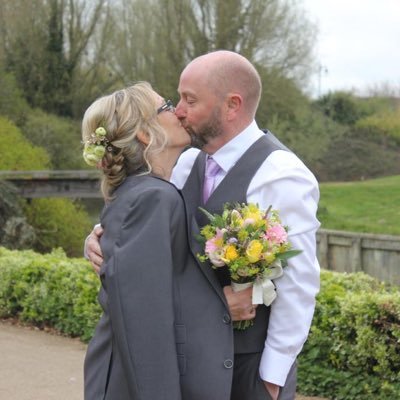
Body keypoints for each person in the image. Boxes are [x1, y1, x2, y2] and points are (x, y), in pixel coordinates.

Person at [86, 51, 320, 400]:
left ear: (231, 106)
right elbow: (150, 241)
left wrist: (270, 379)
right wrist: (98, 238)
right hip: (193, 366)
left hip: (248, 371)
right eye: (177, 99)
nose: (179, 110)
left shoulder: (283, 174)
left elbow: (299, 285)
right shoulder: (185, 162)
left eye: (189, 100)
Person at [82, 82, 235, 400]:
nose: (178, 111)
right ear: (144, 133)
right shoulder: (153, 197)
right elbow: (144, 319)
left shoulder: (140, 192)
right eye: (166, 106)